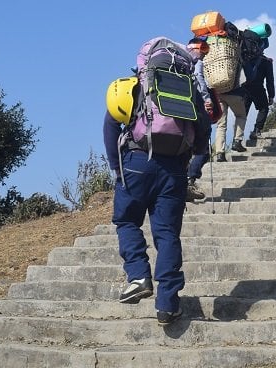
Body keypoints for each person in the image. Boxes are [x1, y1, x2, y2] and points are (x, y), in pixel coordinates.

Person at [103, 38, 211, 326]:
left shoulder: (134, 85)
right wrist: (193, 157)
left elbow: (111, 125)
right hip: (174, 169)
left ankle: (138, 275)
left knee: (127, 221)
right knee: (167, 236)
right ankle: (167, 304)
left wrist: (118, 169)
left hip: (136, 164)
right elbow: (203, 131)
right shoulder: (188, 90)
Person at [184, 38, 213, 202]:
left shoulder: (179, 59)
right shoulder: (196, 61)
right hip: (196, 105)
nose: (204, 54)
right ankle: (190, 180)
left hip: (180, 107)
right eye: (204, 50)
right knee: (203, 149)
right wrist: (207, 99)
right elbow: (199, 79)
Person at [213, 49, 248, 163]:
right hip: (235, 93)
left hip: (218, 94)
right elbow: (248, 76)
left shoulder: (216, 61)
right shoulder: (236, 59)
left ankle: (219, 153)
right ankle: (237, 141)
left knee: (220, 125)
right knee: (241, 115)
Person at [242, 39, 275, 140]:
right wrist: (271, 95)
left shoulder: (245, 57)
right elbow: (270, 80)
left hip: (244, 88)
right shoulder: (267, 61)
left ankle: (237, 137)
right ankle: (256, 131)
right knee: (263, 108)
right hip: (258, 88)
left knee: (242, 113)